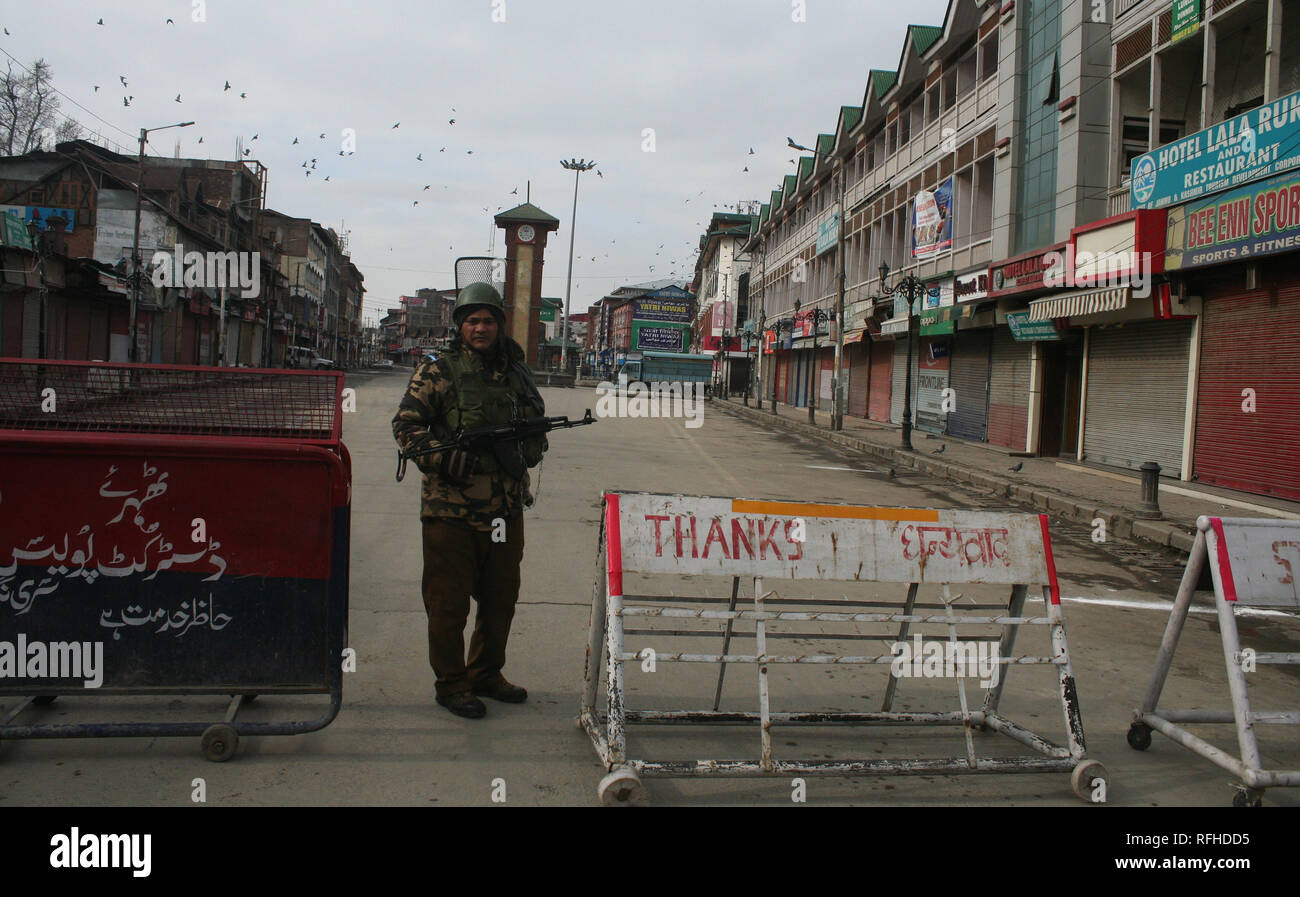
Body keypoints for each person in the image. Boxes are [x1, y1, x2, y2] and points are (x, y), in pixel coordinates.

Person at [392, 283, 548, 719]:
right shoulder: (437, 370)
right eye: (472, 320)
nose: (480, 328)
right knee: (448, 604)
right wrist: (443, 457)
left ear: (500, 325)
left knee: (501, 600)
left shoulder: (517, 373)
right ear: (460, 325)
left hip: (504, 510)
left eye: (488, 320)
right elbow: (406, 425)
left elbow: (536, 426)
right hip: (450, 512)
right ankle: (452, 683)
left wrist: (526, 448)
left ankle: (485, 673)